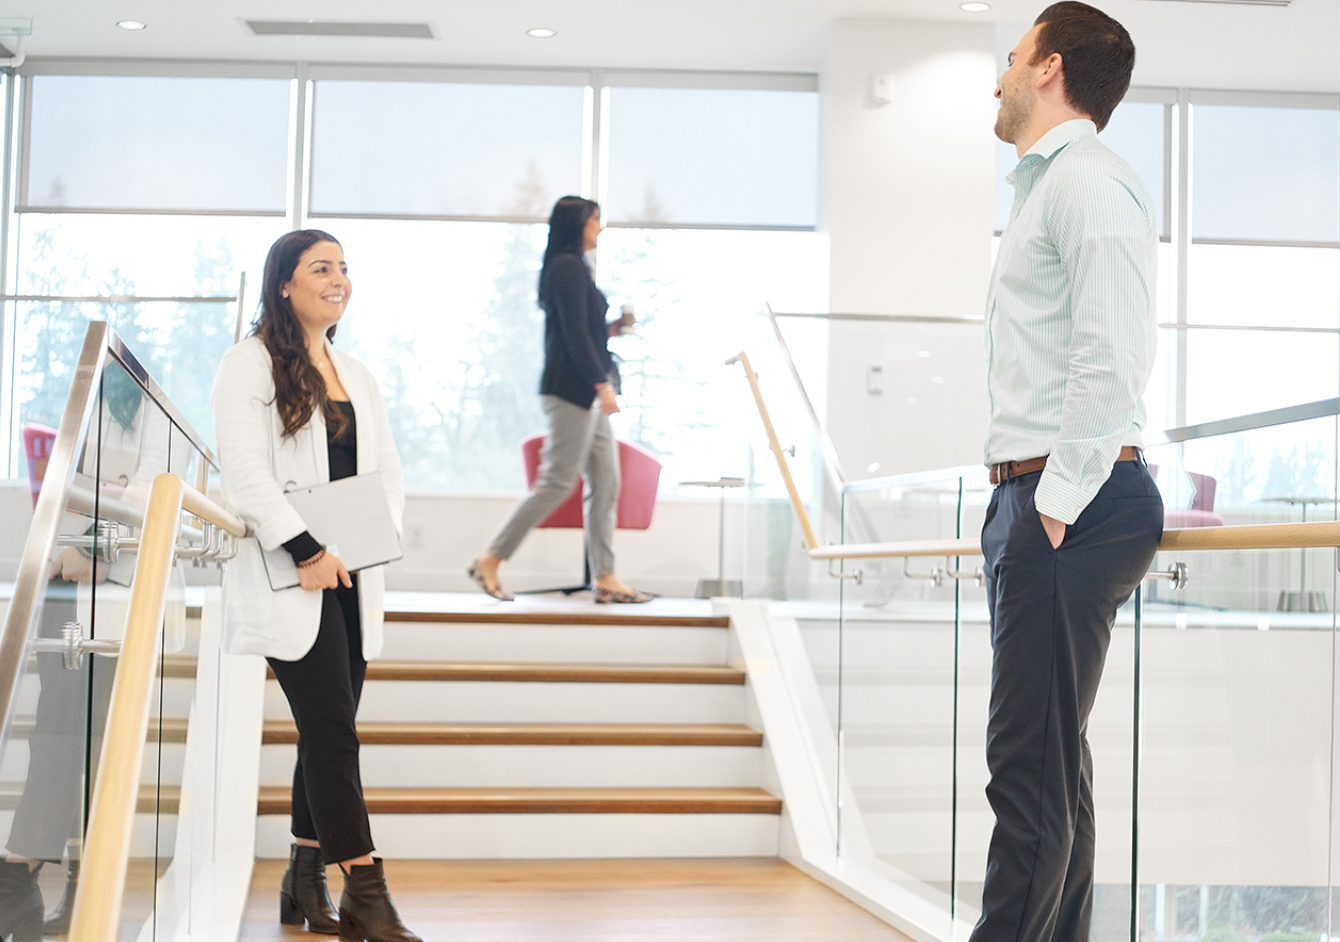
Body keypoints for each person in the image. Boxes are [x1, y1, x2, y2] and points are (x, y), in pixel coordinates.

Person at [974, 4, 1163, 941]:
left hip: (1071, 500)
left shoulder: (1087, 180)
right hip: (1043, 496)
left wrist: (1051, 507)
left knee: (1027, 774)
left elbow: (1111, 358)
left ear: (1047, 68)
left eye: (1007, 58)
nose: (995, 76)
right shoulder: (1049, 188)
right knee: (1051, 770)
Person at [212, 229, 419, 942]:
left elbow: (387, 470)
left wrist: (363, 546)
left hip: (352, 571)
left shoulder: (355, 372)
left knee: (325, 729)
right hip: (290, 570)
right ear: (284, 285)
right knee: (332, 729)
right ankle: (365, 886)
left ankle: (303, 878)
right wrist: (305, 547)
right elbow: (244, 472)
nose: (339, 279)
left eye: (344, 268)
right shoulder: (246, 365)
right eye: (321, 268)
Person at [468, 196, 653, 604]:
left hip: (585, 390)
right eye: (595, 220)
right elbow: (573, 336)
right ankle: (491, 557)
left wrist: (613, 329)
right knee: (557, 481)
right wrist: (601, 385)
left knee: (607, 481)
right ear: (577, 225)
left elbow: (584, 329)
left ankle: (605, 576)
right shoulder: (567, 268)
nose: (600, 228)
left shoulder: (575, 269)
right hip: (572, 390)